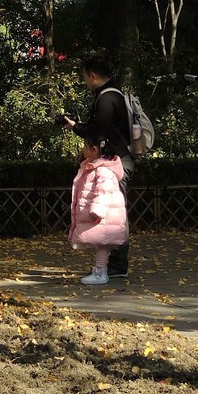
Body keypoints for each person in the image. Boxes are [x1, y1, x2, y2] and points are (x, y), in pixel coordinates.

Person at [66, 55, 133, 277]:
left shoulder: (106, 99)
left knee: (114, 213)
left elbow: (97, 132)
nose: (85, 82)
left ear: (93, 75)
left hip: (114, 162)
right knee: (114, 211)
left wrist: (76, 127)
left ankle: (116, 265)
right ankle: (112, 264)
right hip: (117, 159)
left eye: (85, 77)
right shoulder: (115, 95)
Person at [67, 135, 129, 285]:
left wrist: (97, 210)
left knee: (103, 245)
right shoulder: (96, 167)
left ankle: (100, 273)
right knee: (102, 245)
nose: (83, 149)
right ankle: (100, 271)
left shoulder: (102, 170)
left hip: (103, 215)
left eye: (85, 146)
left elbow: (103, 191)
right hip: (105, 216)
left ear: (94, 149)